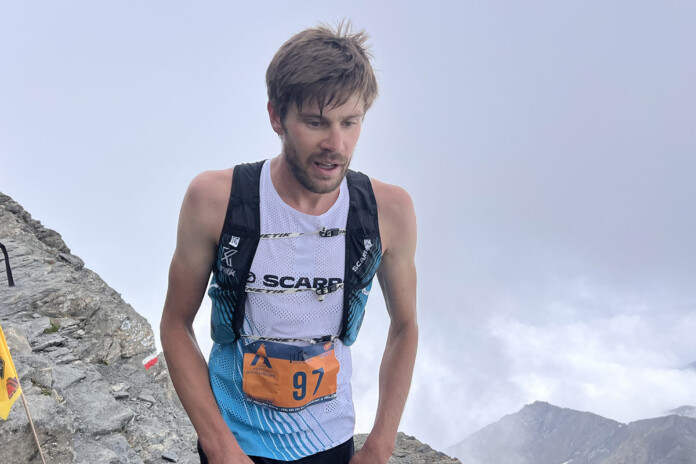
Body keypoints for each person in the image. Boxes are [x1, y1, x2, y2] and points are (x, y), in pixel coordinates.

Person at [160, 22, 418, 464]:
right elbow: (175, 324)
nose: (336, 144)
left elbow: (406, 326)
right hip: (235, 442)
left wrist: (380, 445)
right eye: (316, 123)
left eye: (350, 122)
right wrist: (219, 446)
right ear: (277, 116)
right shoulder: (215, 200)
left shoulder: (387, 211)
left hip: (330, 442)